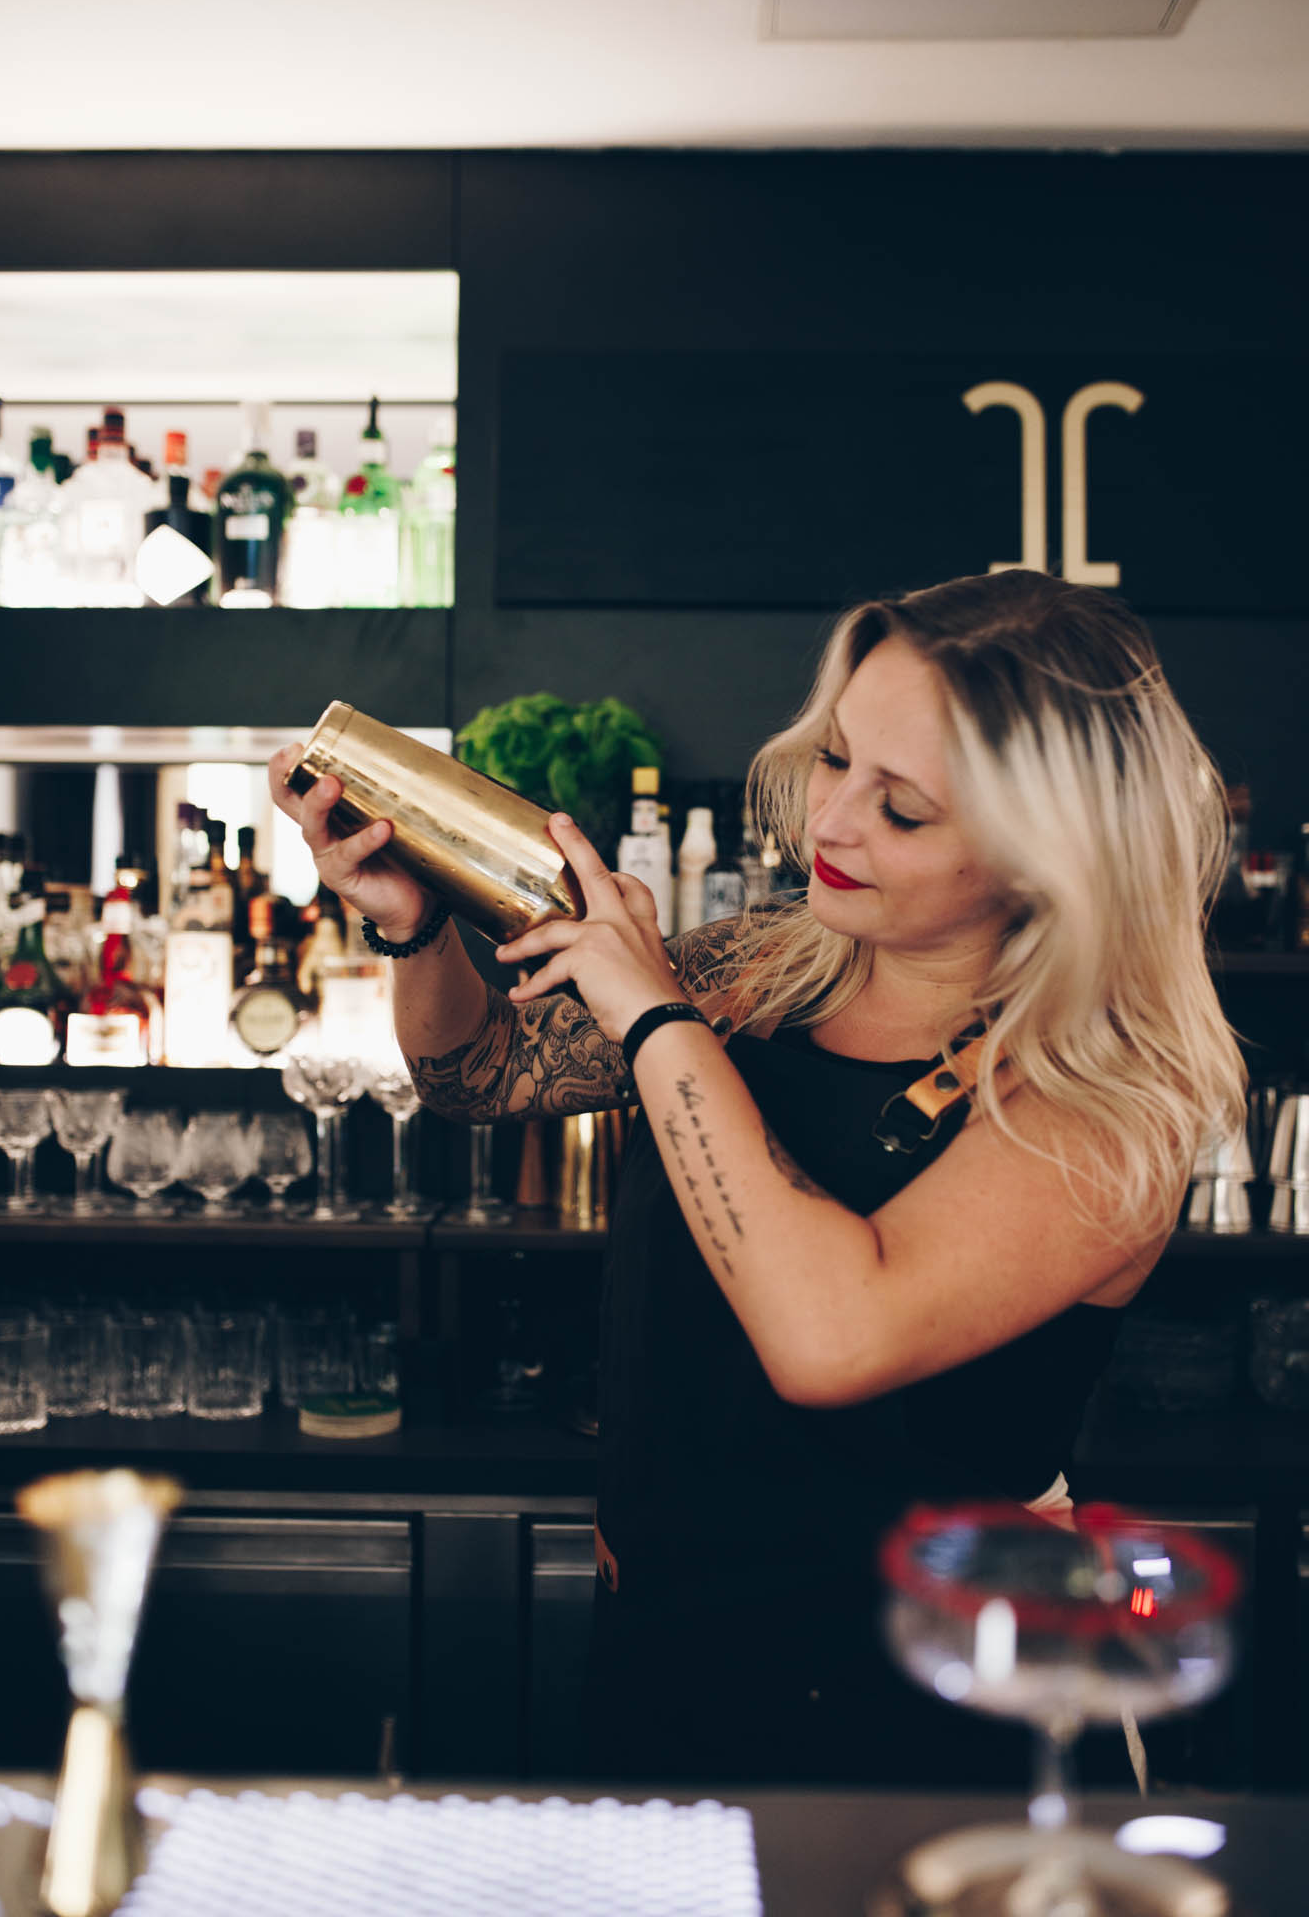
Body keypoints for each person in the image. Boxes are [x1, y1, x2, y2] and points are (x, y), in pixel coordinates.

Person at [268, 568, 1246, 1789]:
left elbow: (830, 1337)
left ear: (1055, 856)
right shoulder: (771, 963)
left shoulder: (1111, 1101)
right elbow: (483, 1075)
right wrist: (416, 930)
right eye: (835, 759)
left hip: (938, 1708)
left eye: (903, 810)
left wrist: (651, 1013)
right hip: (675, 1650)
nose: (830, 822)